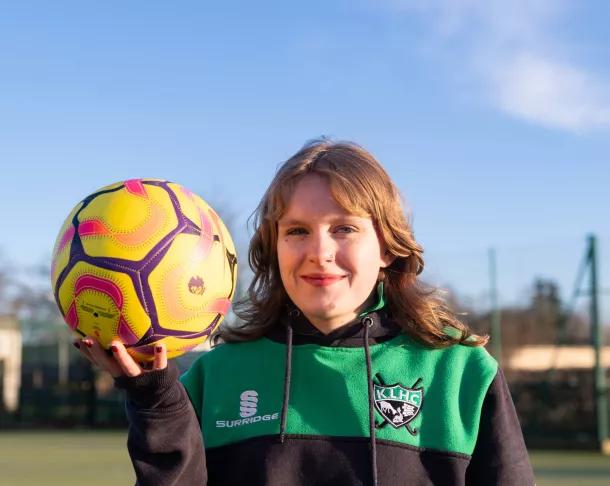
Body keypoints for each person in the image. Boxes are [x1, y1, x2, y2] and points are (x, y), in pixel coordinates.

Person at [75, 139, 535, 485]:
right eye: (297, 230)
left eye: (344, 228)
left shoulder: (459, 372)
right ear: (274, 248)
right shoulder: (215, 377)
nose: (319, 252)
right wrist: (154, 400)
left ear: (388, 248)